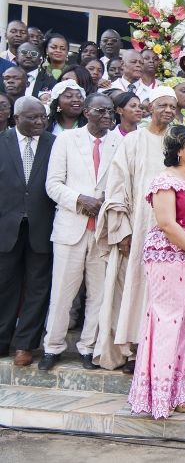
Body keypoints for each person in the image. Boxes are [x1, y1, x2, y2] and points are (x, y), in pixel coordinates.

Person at [127, 125, 185, 419]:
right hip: (171, 258)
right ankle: (160, 394)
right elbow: (167, 224)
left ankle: (183, 392)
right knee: (168, 322)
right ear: (178, 151)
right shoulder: (165, 180)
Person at [93, 87, 178, 371]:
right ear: (149, 107)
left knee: (160, 291)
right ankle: (132, 349)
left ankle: (154, 348)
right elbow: (117, 187)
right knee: (135, 287)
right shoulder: (134, 141)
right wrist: (124, 230)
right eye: (162, 105)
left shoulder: (177, 142)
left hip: (170, 233)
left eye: (172, 106)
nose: (167, 110)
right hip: (139, 229)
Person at [39, 93, 122, 371]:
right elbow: (53, 184)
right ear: (86, 112)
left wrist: (107, 204)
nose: (108, 116)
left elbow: (123, 187)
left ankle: (88, 348)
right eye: (101, 111)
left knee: (98, 295)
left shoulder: (119, 143)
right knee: (62, 292)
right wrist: (79, 200)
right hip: (71, 227)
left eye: (111, 111)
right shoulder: (65, 140)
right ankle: (53, 347)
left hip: (103, 230)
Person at [0, 97, 56, 366]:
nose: (39, 122)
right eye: (32, 118)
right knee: (4, 286)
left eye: (43, 117)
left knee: (38, 286)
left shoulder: (53, 144)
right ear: (16, 118)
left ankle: (25, 345)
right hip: (5, 227)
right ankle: (2, 340)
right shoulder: (1, 142)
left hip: (42, 227)